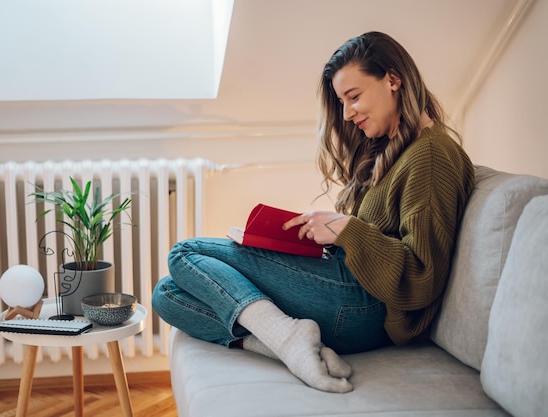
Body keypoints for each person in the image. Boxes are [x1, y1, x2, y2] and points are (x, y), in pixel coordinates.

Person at [152, 31, 475, 393]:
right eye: (341, 101)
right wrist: (332, 232)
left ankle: (289, 338)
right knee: (168, 294)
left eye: (354, 97)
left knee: (185, 254)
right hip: (351, 294)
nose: (347, 113)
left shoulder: (431, 156)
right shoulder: (397, 148)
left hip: (365, 306)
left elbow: (422, 277)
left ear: (393, 79)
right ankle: (289, 345)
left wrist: (346, 230)